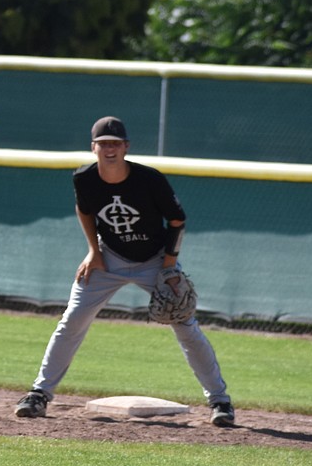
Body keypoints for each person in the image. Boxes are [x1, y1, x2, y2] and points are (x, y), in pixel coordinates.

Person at [13, 116, 235, 427]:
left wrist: (169, 266)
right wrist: (93, 251)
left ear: (126, 147)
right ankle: (39, 394)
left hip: (156, 260)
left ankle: (220, 401)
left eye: (115, 144)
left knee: (185, 325)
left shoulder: (149, 179)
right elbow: (84, 210)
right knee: (72, 320)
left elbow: (177, 220)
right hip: (109, 258)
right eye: (103, 143)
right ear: (93, 147)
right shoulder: (84, 178)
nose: (110, 149)